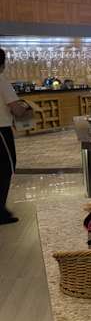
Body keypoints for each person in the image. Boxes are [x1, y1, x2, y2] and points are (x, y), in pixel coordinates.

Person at [0, 48, 29, 225]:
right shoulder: (1, 80)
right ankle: (0, 212)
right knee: (5, 168)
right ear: (2, 64)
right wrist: (24, 108)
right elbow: (16, 108)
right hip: (1, 131)